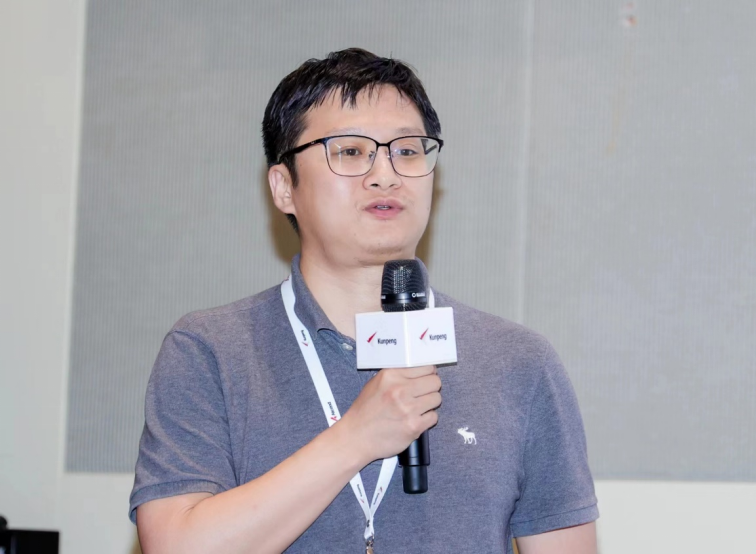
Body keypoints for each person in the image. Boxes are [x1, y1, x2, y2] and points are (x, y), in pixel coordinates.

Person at [130, 48, 598, 553]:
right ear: (284, 187)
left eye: (408, 151)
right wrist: (355, 438)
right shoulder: (212, 350)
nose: (386, 174)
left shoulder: (517, 362)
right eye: (351, 151)